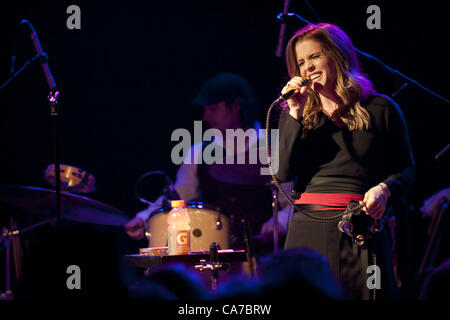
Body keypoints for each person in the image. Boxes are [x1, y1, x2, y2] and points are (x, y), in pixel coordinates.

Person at [275, 23, 415, 299]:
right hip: (308, 228)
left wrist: (385, 189)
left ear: (337, 55)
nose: (308, 67)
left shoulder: (380, 108)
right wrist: (294, 113)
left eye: (314, 56)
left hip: (359, 226)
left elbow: (407, 170)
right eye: (301, 62)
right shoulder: (297, 114)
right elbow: (282, 173)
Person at [125, 73, 292, 253]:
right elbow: (180, 195)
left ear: (236, 105)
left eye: (212, 109)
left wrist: (280, 222)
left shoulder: (273, 147)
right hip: (212, 255)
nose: (205, 117)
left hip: (263, 254)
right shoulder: (198, 151)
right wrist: (144, 217)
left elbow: (292, 202)